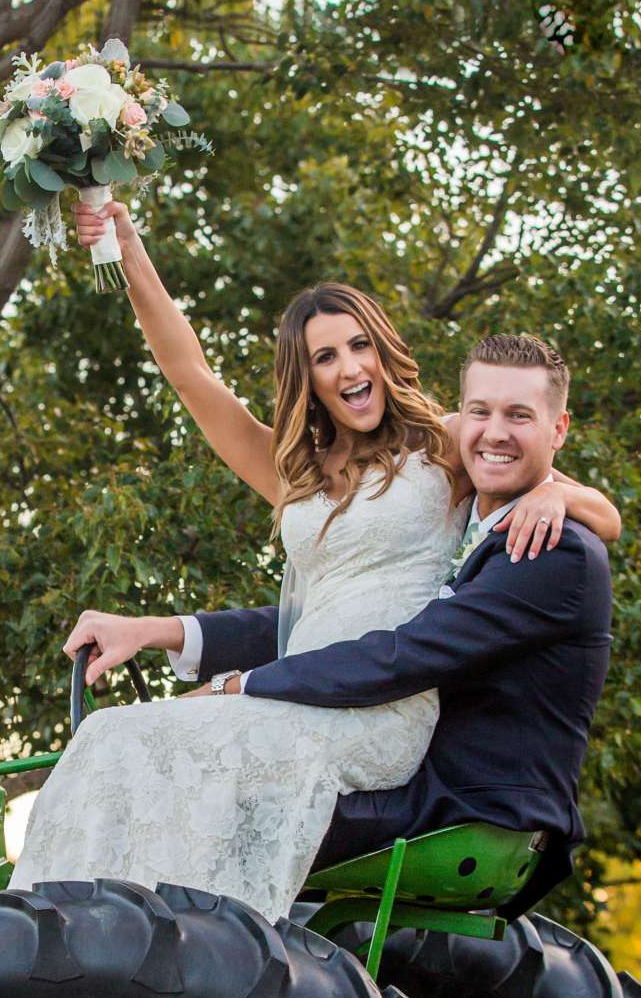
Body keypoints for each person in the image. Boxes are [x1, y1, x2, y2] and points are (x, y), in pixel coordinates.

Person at [9, 198, 619, 919]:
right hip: (297, 684)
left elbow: (541, 466)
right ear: (307, 377)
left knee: (137, 741)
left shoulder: (442, 440)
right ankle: (79, 932)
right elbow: (189, 376)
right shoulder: (293, 472)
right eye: (324, 356)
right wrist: (130, 246)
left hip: (375, 701)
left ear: (383, 352)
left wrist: (560, 496)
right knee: (113, 739)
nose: (348, 367)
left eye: (359, 345)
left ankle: (153, 944)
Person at [187, 332, 612, 915]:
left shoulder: (547, 547)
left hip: (460, 805)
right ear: (459, 422)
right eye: (480, 412)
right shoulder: (480, 525)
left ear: (559, 429)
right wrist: (170, 631)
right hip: (439, 789)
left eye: (519, 415)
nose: (494, 432)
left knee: (202, 793)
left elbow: (402, 655)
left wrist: (238, 685)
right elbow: (347, 619)